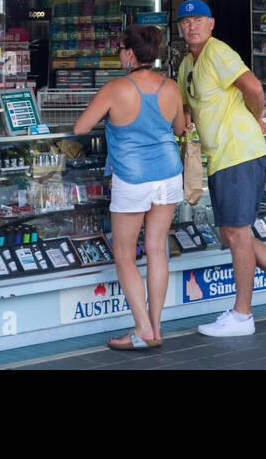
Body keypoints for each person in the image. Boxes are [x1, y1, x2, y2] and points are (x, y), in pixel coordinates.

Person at [176, 0, 266, 337]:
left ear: (211, 24)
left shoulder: (218, 52)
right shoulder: (186, 66)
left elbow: (253, 87)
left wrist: (253, 118)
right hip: (220, 158)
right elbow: (184, 108)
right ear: (179, 28)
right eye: (185, 21)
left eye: (198, 20)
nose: (191, 25)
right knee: (233, 233)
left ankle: (242, 315)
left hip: (239, 152)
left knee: (237, 235)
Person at [73, 24, 186, 350]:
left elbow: (82, 127)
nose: (119, 54)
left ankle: (142, 328)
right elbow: (179, 129)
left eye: (121, 49)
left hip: (131, 177)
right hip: (167, 175)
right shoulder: (171, 87)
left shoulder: (115, 88)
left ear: (130, 53)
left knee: (124, 254)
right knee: (156, 250)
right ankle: (156, 326)